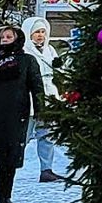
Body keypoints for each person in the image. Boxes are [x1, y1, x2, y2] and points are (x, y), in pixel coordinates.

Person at [0, 23, 42, 203]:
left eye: (9, 37)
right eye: (2, 37)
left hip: (15, 115)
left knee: (9, 157)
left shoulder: (27, 61)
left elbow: (36, 86)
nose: (5, 40)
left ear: (17, 39)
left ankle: (4, 196)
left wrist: (40, 109)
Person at [20, 15, 64, 182]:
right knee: (23, 135)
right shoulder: (24, 51)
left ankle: (46, 169)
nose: (40, 35)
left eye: (43, 32)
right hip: (31, 97)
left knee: (46, 134)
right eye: (36, 32)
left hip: (49, 94)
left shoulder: (50, 50)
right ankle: (11, 165)